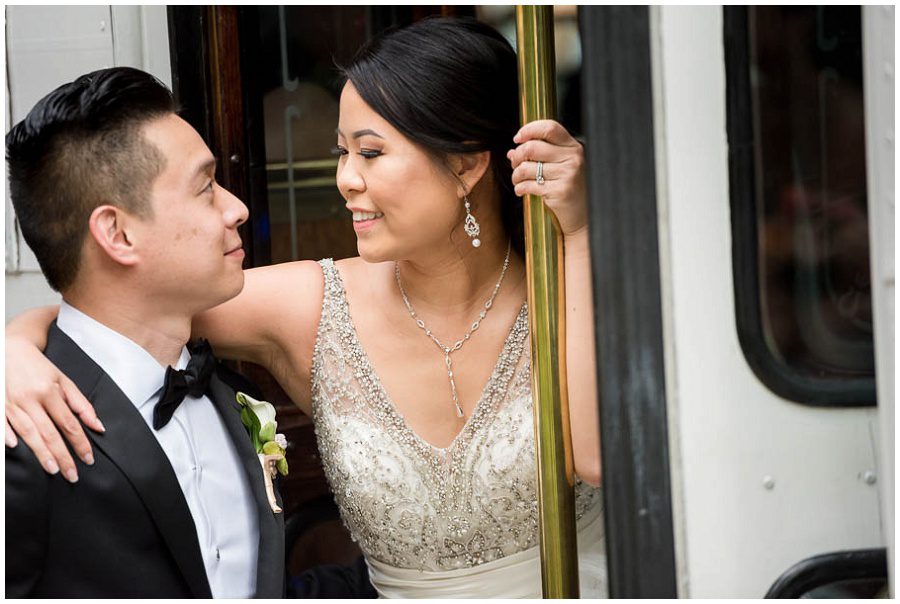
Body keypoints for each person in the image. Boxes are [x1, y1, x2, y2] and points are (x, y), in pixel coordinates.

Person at [6, 18, 606, 598]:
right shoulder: (311, 305)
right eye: (341, 152)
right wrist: (13, 345)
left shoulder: (564, 286)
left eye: (370, 153)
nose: (345, 178)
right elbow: (122, 307)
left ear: (467, 166)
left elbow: (596, 457)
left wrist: (576, 232)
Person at [4, 67, 374, 599]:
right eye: (206, 188)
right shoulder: (23, 435)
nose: (237, 208)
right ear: (118, 233)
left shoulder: (227, 390)